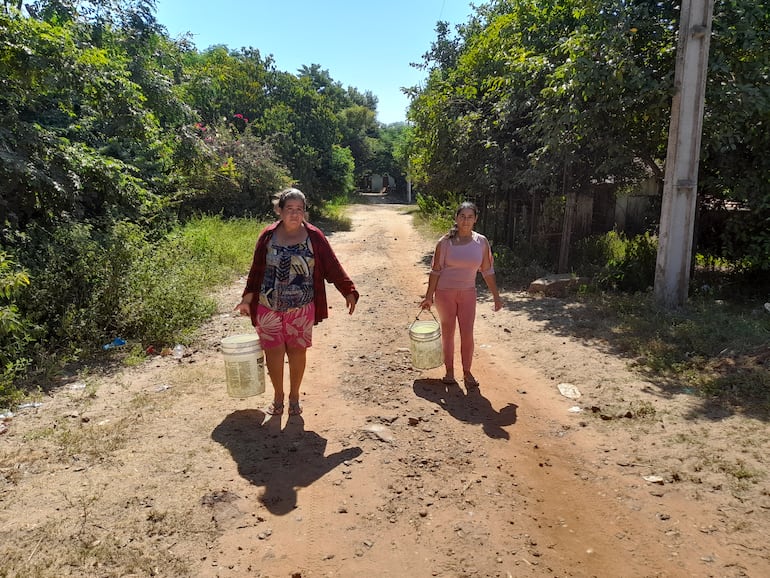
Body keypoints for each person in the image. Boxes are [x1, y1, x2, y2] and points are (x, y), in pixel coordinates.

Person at [234, 188, 359, 416]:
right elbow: (256, 271)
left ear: (304, 212)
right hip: (267, 306)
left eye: (299, 209)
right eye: (289, 209)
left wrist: (348, 290)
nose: (294, 214)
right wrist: (246, 299)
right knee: (273, 352)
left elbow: (332, 266)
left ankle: (294, 396)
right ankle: (278, 396)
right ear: (279, 211)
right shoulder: (267, 236)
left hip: (301, 308)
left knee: (297, 352)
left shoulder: (314, 237)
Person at [420, 201, 502, 388]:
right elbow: (435, 271)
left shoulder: (481, 242)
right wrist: (428, 297)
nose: (465, 221)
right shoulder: (445, 243)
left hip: (468, 293)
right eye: (462, 216)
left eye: (469, 217)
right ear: (456, 218)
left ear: (476, 219)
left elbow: (487, 271)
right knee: (448, 332)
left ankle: (467, 372)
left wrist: (496, 296)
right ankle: (449, 371)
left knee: (467, 333)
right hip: (445, 294)